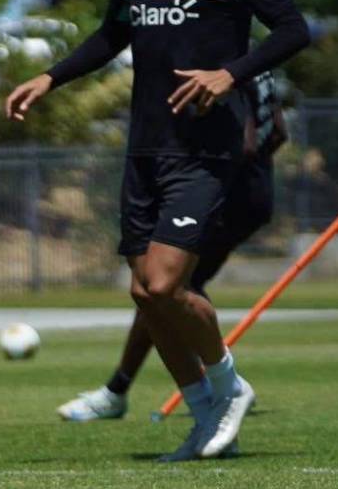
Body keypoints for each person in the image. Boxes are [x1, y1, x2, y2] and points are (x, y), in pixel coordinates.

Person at [5, 0, 309, 461]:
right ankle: (202, 414)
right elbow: (112, 34)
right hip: (145, 148)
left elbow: (293, 29)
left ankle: (228, 385)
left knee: (167, 284)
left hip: (206, 150)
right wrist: (52, 76)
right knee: (144, 292)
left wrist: (231, 74)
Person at [57, 71, 287, 426]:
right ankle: (154, 389)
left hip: (226, 194)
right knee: (160, 288)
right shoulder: (259, 65)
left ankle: (146, 391)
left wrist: (196, 178)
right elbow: (279, 133)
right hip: (256, 194)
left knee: (162, 285)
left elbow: (244, 143)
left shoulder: (223, 63)